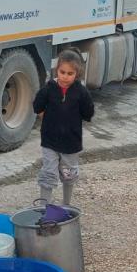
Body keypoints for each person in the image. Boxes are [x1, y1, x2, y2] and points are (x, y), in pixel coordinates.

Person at [32, 49, 94, 206]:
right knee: (48, 173)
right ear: (57, 70)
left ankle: (67, 206)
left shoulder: (81, 92)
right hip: (49, 141)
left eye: (70, 73)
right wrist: (43, 114)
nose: (65, 76)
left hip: (70, 144)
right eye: (62, 72)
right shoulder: (49, 88)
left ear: (77, 73)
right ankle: (43, 208)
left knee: (68, 175)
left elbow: (88, 113)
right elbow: (37, 105)